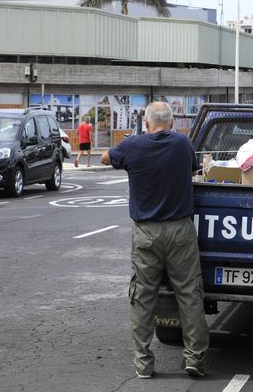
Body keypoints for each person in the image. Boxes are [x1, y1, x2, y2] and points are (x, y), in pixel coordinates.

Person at [100, 102, 209, 379]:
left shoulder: (133, 146)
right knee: (190, 294)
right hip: (180, 231)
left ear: (147, 123)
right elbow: (195, 169)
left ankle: (143, 364)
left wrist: (127, 148)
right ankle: (195, 357)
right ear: (171, 123)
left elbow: (104, 158)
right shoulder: (183, 144)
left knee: (143, 298)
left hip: (147, 233)